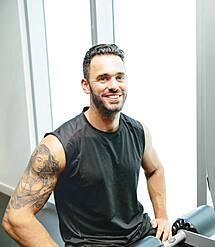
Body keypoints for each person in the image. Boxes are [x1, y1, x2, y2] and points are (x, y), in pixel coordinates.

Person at [2, 44, 171, 246]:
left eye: (120, 77)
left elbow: (155, 170)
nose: (114, 85)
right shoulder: (59, 146)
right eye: (103, 78)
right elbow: (16, 218)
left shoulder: (138, 131)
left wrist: (161, 216)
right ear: (85, 85)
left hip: (141, 237)